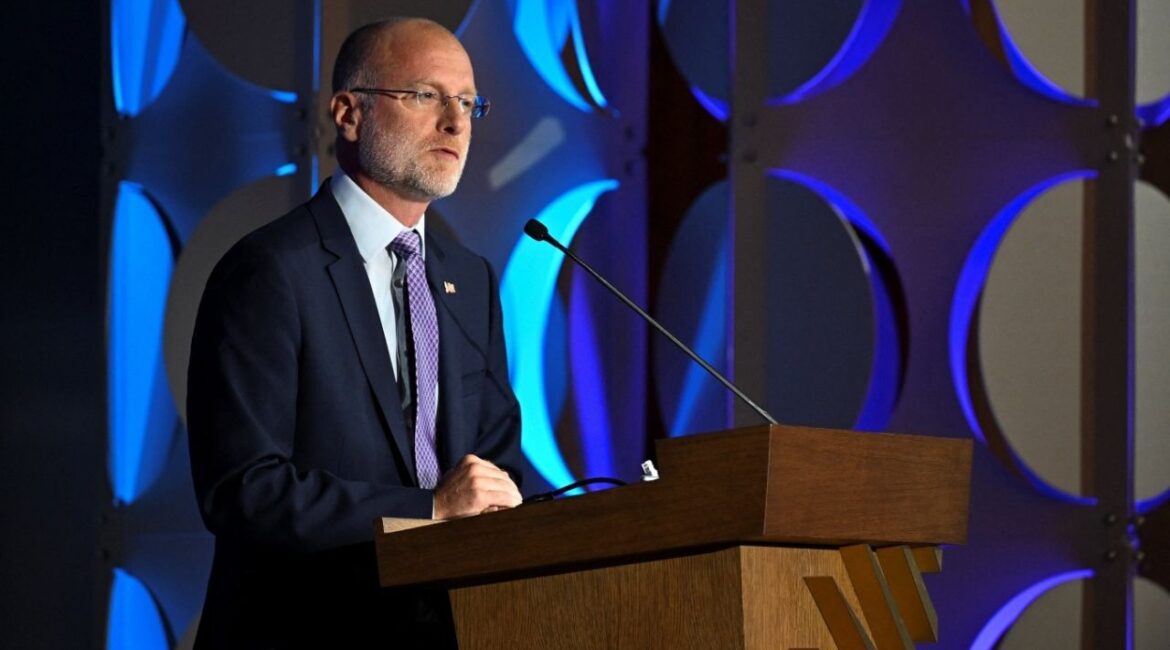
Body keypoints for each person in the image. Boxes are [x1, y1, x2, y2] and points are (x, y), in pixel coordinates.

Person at [186, 17, 523, 648]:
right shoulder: (269, 271)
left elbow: (494, 459)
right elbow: (244, 490)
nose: (455, 122)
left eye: (468, 102)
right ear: (348, 113)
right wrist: (428, 511)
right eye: (426, 96)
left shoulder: (468, 280)